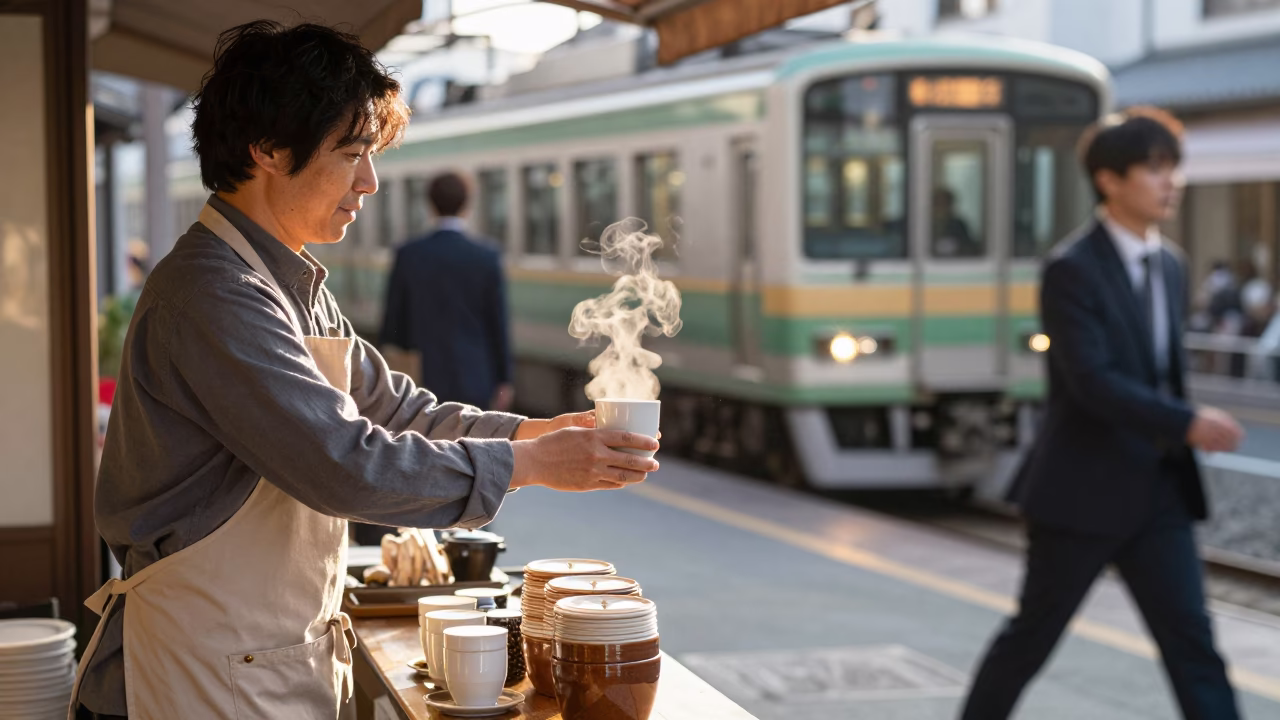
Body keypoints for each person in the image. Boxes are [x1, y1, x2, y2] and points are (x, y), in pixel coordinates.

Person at [71, 21, 659, 720]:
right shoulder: (211, 292)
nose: (370, 182)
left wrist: (536, 431)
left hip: (261, 658)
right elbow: (343, 464)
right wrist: (528, 465)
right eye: (352, 153)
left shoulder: (289, 279)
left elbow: (393, 408)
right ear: (266, 149)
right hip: (201, 671)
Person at [961, 107, 1245, 720]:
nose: (1171, 183)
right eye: (1154, 169)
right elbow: (1090, 382)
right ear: (1109, 180)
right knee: (1031, 640)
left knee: (1194, 646)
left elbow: (1162, 371)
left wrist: (1177, 428)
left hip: (1160, 494)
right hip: (1080, 495)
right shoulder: (1070, 270)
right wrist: (1185, 421)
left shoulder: (1170, 264)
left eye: (1174, 169)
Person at [379, 172, 513, 412]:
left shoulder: (409, 254)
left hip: (421, 379)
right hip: (475, 375)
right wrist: (504, 379)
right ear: (467, 204)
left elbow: (393, 323)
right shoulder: (486, 256)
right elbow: (498, 324)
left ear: (430, 204)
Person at [931, 188, 981, 258]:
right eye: (938, 204)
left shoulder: (958, 225)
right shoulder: (926, 226)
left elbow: (969, 247)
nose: (941, 208)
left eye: (944, 204)